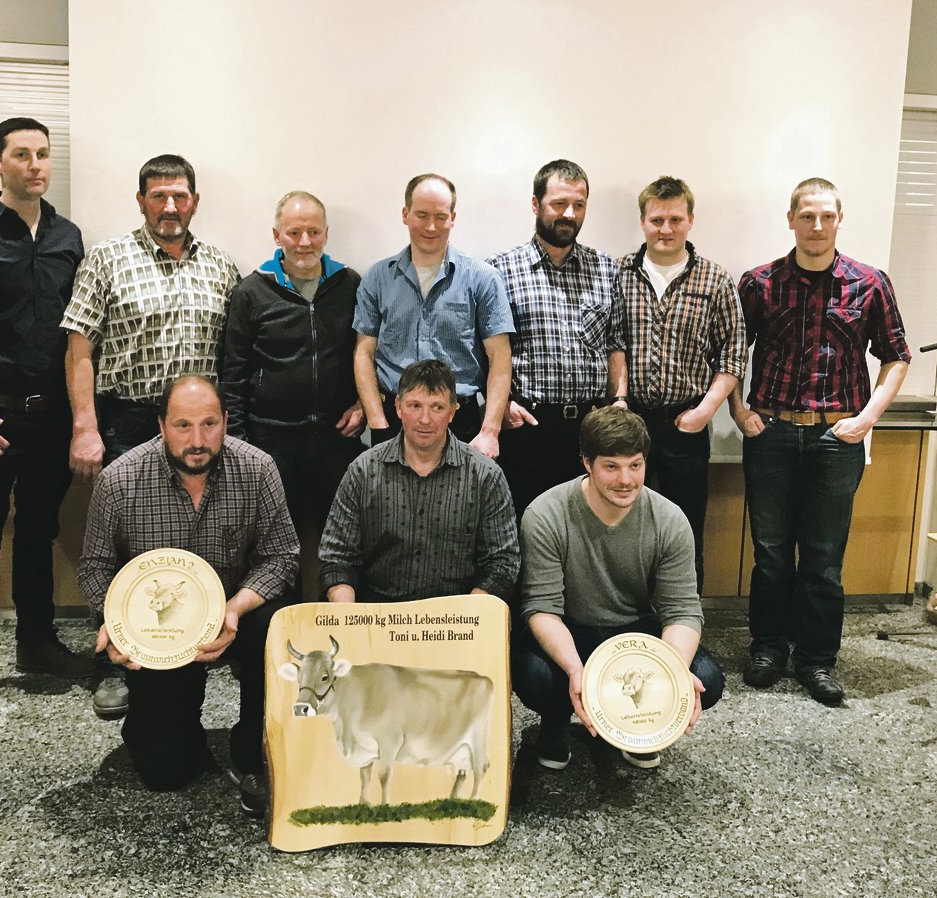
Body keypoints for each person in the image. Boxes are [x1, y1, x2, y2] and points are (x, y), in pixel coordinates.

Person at [61, 154, 240, 718]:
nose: (169, 206)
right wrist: (85, 426)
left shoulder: (222, 268)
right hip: (128, 421)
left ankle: (190, 641)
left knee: (195, 536)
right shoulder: (106, 259)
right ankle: (117, 660)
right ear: (141, 201)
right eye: (158, 196)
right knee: (124, 545)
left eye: (179, 196)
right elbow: (79, 349)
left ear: (194, 201)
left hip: (199, 429)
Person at [78, 375, 298, 816]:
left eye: (209, 424)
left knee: (276, 619)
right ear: (161, 426)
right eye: (182, 425)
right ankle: (171, 725)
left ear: (225, 422)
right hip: (160, 631)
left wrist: (234, 609)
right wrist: (117, 626)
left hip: (234, 617)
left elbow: (282, 557)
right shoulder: (119, 480)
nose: (197, 440)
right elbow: (94, 567)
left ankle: (251, 741)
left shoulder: (258, 469)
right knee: (165, 770)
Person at [731, 177, 910, 705]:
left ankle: (816, 660)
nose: (816, 225)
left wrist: (867, 419)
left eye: (826, 216)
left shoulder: (869, 283)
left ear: (839, 220)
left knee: (824, 559)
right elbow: (729, 353)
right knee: (769, 555)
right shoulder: (759, 283)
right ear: (791, 219)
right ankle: (768, 648)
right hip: (771, 434)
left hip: (837, 438)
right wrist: (739, 410)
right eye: (807, 216)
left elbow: (896, 356)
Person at [0, 117, 93, 723]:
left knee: (38, 531)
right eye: (22, 154)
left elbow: (77, 335)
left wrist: (81, 419)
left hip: (50, 417)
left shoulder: (68, 236)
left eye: (43, 154)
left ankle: (37, 643)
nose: (35, 165)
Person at [511, 406, 725, 771]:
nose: (626, 479)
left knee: (705, 679)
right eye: (611, 466)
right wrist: (576, 672)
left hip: (636, 634)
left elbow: (682, 610)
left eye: (635, 465)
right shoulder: (545, 514)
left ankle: (639, 722)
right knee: (534, 676)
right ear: (587, 463)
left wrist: (672, 673)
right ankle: (556, 719)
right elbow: (541, 608)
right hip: (571, 629)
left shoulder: (670, 519)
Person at [220, 191, 363, 596]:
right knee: (276, 549)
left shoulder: (349, 284)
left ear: (326, 234)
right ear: (277, 235)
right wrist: (240, 445)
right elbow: (233, 375)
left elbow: (368, 353)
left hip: (336, 440)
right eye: (294, 232)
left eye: (313, 232)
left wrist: (363, 405)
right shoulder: (252, 291)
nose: (304, 242)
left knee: (344, 544)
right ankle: (278, 627)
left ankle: (344, 625)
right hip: (271, 444)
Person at [617, 176, 746, 588]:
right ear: (643, 221)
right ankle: (629, 616)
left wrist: (704, 411)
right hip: (629, 423)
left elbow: (733, 353)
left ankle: (685, 617)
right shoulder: (618, 273)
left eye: (675, 219)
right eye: (657, 220)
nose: (666, 229)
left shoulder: (714, 279)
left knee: (684, 531)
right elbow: (610, 343)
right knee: (622, 527)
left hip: (685, 424)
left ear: (690, 220)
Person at [486, 159, 627, 522]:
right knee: (525, 529)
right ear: (536, 204)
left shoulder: (605, 268)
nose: (569, 214)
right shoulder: (500, 269)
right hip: (526, 427)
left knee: (586, 533)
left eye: (579, 205)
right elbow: (482, 351)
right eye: (559, 203)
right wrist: (500, 405)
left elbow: (615, 344)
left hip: (589, 430)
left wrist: (619, 400)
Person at [320, 359, 520, 603]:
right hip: (379, 614)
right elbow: (337, 557)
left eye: (437, 407)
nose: (425, 419)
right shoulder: (363, 471)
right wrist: (347, 614)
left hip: (457, 615)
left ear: (452, 412)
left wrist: (471, 612)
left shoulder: (486, 476)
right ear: (398, 407)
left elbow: (502, 561)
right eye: (415, 405)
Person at [353, 174, 514, 457]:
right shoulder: (377, 278)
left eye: (440, 216)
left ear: (453, 218)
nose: (431, 226)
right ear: (405, 214)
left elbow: (499, 355)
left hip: (462, 423)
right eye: (422, 215)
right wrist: (378, 424)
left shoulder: (483, 279)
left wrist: (490, 431)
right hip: (393, 421)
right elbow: (363, 353)